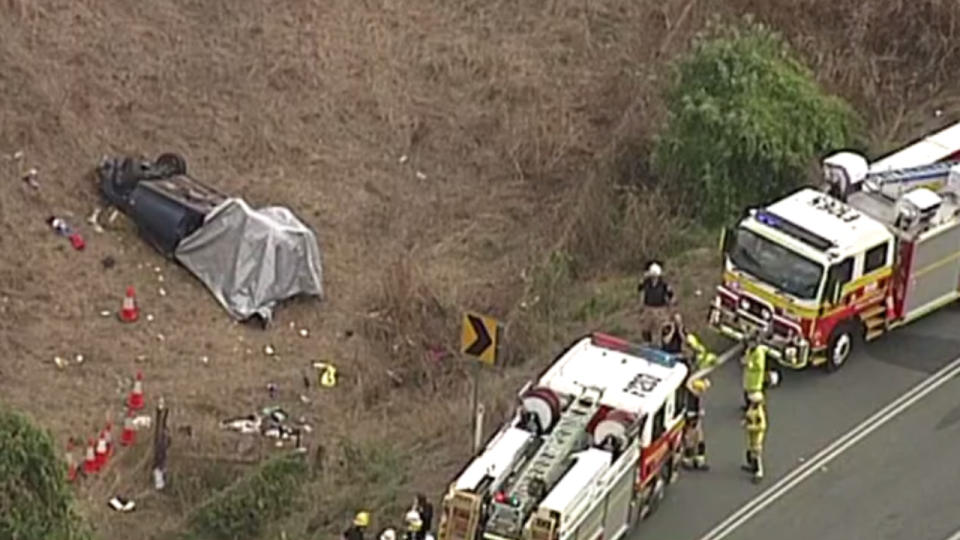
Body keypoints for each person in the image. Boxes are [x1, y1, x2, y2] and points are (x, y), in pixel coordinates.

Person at [638, 262, 675, 343]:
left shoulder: (664, 284)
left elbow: (671, 295)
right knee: (646, 328)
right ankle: (647, 343)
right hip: (648, 307)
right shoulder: (646, 282)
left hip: (660, 308)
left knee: (662, 328)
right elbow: (640, 289)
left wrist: (670, 309)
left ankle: (661, 344)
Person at [682, 377, 711, 471]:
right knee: (690, 441)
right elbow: (687, 412)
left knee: (700, 440)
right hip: (691, 421)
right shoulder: (689, 398)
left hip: (696, 420)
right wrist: (697, 413)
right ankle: (687, 460)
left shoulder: (696, 397)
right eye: (700, 390)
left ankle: (699, 460)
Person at [741, 391, 767, 483]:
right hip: (751, 433)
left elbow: (762, 426)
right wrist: (745, 421)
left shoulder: (759, 412)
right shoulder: (752, 408)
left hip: (757, 434)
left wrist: (751, 427)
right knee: (751, 449)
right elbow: (749, 416)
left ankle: (759, 472)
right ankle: (752, 465)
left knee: (756, 452)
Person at [741, 333, 768, 411]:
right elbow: (747, 357)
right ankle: (747, 406)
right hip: (748, 375)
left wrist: (750, 364)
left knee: (754, 393)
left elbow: (759, 366)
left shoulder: (759, 353)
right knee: (746, 391)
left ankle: (754, 407)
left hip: (755, 376)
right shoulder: (750, 350)